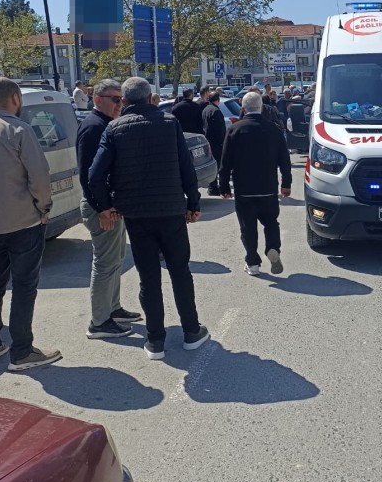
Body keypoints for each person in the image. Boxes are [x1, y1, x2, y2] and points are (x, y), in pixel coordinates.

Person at [88, 77, 208, 361]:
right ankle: (191, 331)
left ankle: (155, 340)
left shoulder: (114, 129)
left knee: (149, 277)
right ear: (151, 97)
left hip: (136, 214)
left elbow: (95, 175)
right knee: (180, 271)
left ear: (125, 101)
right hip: (171, 210)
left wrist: (105, 206)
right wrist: (193, 202)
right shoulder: (169, 123)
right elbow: (186, 166)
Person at [0, 77, 61, 370]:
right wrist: (44, 208)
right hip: (23, 221)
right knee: (23, 286)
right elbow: (40, 176)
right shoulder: (19, 129)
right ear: (16, 98)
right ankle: (22, 351)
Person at [76, 79, 141, 340]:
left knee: (115, 260)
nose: (119, 104)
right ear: (97, 99)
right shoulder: (94, 127)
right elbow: (87, 175)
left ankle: (113, 309)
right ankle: (99, 322)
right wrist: (102, 207)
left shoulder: (105, 124)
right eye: (114, 99)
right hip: (101, 207)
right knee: (105, 263)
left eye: (121, 99)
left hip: (109, 205)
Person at [219, 90, 292, 276]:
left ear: (243, 108)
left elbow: (226, 162)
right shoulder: (273, 129)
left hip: (244, 189)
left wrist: (224, 186)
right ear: (261, 108)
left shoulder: (234, 130)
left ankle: (252, 263)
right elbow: (284, 159)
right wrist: (286, 183)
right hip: (268, 188)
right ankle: (273, 247)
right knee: (271, 222)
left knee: (248, 228)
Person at [202, 92, 226, 196]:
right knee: (218, 165)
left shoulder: (205, 110)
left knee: (213, 164)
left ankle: (212, 186)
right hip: (216, 143)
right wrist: (222, 142)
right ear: (217, 100)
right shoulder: (216, 111)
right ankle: (215, 187)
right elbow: (219, 129)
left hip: (208, 141)